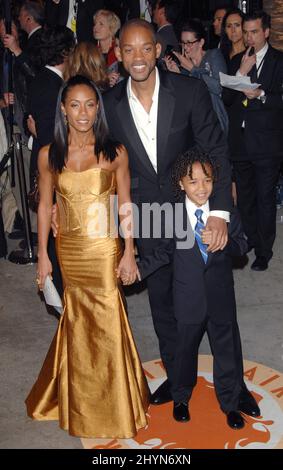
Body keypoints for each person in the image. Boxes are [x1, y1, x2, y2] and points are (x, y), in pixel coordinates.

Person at [102, 18, 233, 406]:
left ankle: (233, 387)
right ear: (119, 55)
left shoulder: (189, 91)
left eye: (146, 48)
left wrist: (219, 213)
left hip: (195, 214)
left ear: (158, 51)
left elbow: (217, 151)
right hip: (150, 219)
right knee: (163, 308)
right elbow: (100, 167)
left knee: (216, 308)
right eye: (129, 50)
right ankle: (180, 386)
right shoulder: (108, 105)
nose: (138, 57)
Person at [25, 75, 150, 438]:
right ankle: (81, 400)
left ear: (99, 110)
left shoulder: (115, 153)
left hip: (103, 249)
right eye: (75, 105)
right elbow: (46, 205)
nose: (83, 113)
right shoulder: (49, 154)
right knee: (76, 321)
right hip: (70, 251)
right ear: (63, 109)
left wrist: (130, 251)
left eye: (90, 104)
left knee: (110, 320)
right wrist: (43, 257)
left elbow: (126, 205)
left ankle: (117, 405)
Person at [137, 148, 261, 430]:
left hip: (220, 296)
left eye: (207, 180)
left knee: (226, 350)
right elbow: (164, 253)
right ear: (180, 184)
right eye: (193, 181)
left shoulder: (224, 213)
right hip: (187, 297)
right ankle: (181, 398)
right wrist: (138, 270)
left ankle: (230, 403)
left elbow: (243, 244)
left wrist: (225, 242)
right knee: (184, 351)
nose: (201, 187)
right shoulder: (172, 216)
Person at [223, 10, 283, 271]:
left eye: (254, 32)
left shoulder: (279, 61)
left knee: (265, 198)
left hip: (267, 143)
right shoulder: (238, 59)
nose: (249, 37)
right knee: (245, 199)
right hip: (240, 142)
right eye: (246, 32)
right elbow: (226, 100)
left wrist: (260, 94)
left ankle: (263, 251)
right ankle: (249, 239)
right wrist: (240, 72)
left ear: (266, 32)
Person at [164, 18, 229, 135]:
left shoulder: (214, 55)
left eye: (189, 43)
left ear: (201, 42)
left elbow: (218, 88)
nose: (185, 47)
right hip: (192, 123)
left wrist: (193, 69)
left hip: (213, 122)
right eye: (183, 43)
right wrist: (177, 73)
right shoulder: (184, 65)